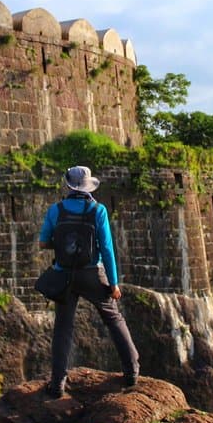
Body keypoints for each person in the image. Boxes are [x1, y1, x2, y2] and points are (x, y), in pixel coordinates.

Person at [38, 165, 140, 398]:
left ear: (68, 185)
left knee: (63, 327)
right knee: (114, 318)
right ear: (88, 186)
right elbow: (106, 248)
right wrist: (113, 283)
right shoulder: (98, 210)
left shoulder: (56, 210)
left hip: (64, 274)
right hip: (93, 272)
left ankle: (57, 384)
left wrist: (65, 246)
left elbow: (43, 243)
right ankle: (132, 371)